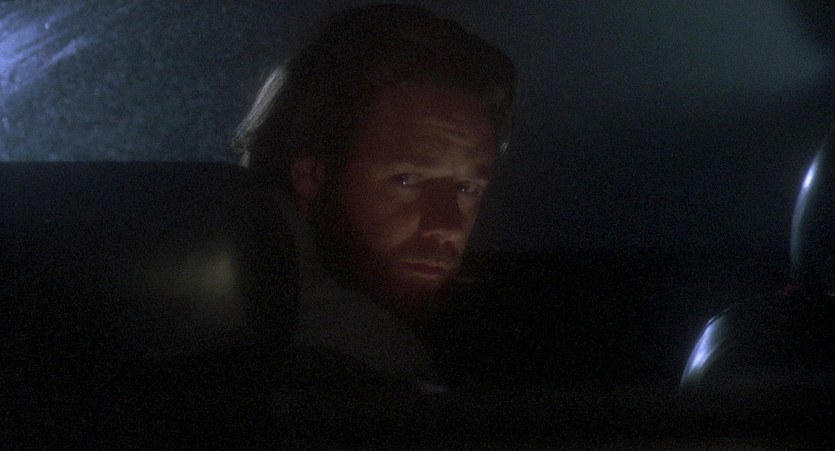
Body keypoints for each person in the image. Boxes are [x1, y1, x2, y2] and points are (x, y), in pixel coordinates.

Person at [234, 4, 516, 385]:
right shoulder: (362, 358)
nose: (447, 224)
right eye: (407, 180)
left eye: (466, 188)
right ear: (311, 175)